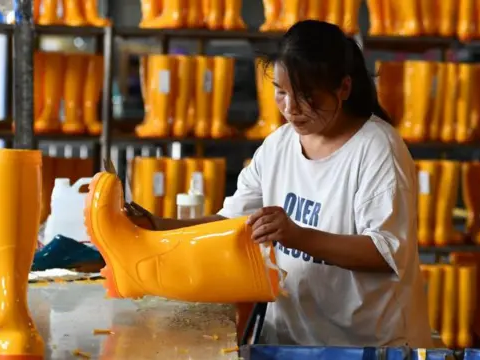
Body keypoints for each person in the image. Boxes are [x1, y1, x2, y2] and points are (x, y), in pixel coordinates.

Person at [132, 20, 432, 348]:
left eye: (306, 96)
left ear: (343, 88)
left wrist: (297, 236)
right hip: (290, 342)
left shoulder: (377, 149)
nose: (290, 108)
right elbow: (229, 223)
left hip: (363, 347)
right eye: (280, 92)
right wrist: (154, 226)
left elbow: (385, 251)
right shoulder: (279, 145)